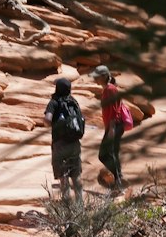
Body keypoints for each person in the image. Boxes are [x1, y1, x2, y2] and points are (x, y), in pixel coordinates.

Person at [43, 77, 85, 205]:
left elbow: (48, 120)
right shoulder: (74, 102)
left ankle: (67, 205)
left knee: (63, 175)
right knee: (76, 174)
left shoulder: (54, 102)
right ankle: (80, 204)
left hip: (60, 144)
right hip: (74, 143)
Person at [92, 65, 133, 190]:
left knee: (103, 155)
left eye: (97, 77)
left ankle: (119, 178)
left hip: (114, 126)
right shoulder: (110, 88)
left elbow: (114, 110)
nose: (95, 79)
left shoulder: (110, 89)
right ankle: (119, 181)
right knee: (113, 152)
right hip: (115, 125)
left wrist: (111, 128)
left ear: (104, 76)